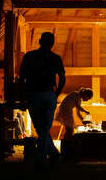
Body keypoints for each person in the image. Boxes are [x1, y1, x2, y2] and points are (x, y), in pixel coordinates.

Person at [19, 32, 66, 168]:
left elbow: (22, 79)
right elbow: (62, 79)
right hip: (48, 93)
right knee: (45, 127)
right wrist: (56, 94)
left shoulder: (29, 56)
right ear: (52, 43)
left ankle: (42, 157)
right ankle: (51, 155)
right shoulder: (55, 58)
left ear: (39, 41)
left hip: (33, 94)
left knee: (40, 127)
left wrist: (23, 97)